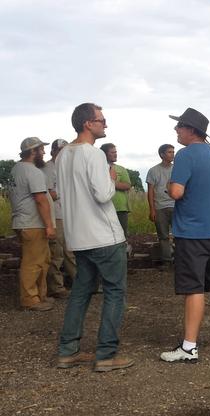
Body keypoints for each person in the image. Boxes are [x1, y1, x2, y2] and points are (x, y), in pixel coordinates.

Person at [56, 102, 133, 372]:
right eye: (101, 120)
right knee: (114, 292)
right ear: (88, 123)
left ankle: (68, 350)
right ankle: (106, 354)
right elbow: (103, 194)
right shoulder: (94, 155)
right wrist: (111, 178)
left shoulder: (63, 154)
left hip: (78, 236)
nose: (105, 124)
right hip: (104, 236)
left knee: (80, 292)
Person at [160, 107, 210, 363]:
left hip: (193, 233)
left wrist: (169, 185)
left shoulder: (185, 156)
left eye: (179, 126)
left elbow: (176, 193)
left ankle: (189, 347)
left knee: (193, 287)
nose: (176, 130)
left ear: (191, 130)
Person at [8, 137, 57, 311]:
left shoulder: (16, 169)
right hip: (32, 223)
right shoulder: (32, 172)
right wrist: (49, 225)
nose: (43, 152)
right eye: (41, 149)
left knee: (42, 260)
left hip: (25, 222)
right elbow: (40, 199)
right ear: (32, 151)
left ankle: (39, 296)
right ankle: (30, 299)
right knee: (33, 262)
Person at [43, 139, 76, 294]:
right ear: (54, 151)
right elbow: (50, 194)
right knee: (57, 252)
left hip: (67, 214)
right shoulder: (48, 169)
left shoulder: (64, 168)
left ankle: (78, 281)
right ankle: (56, 287)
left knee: (70, 250)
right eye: (61, 150)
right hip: (56, 215)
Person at [146, 144, 175, 268]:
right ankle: (167, 261)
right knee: (163, 235)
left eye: (173, 151)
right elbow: (150, 191)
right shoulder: (153, 171)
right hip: (160, 207)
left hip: (176, 206)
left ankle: (181, 261)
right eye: (169, 152)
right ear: (162, 154)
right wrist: (152, 209)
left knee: (180, 235)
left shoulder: (177, 169)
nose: (172, 154)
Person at [100, 143, 132, 248]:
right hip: (102, 207)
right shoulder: (98, 168)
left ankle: (123, 255)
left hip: (120, 208)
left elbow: (127, 185)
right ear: (104, 154)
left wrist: (111, 183)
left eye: (116, 152)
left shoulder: (121, 169)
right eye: (112, 152)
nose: (115, 155)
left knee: (122, 234)